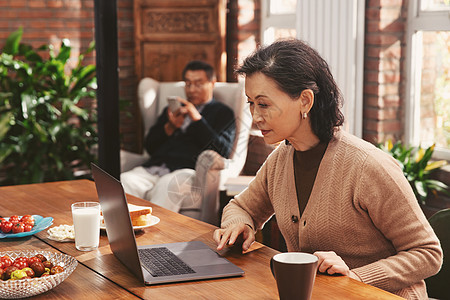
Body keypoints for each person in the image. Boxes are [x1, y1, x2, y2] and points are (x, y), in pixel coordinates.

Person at [213, 39, 442, 299]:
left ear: (305, 101)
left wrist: (357, 277)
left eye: (263, 104)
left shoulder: (367, 166)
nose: (255, 116)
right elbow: (241, 207)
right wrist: (238, 224)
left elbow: (427, 253)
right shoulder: (281, 159)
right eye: (250, 103)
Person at [121, 60, 236, 217]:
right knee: (124, 181)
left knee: (168, 185)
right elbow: (150, 146)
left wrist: (197, 120)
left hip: (187, 171)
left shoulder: (222, 113)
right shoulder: (172, 110)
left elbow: (222, 150)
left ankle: (155, 240)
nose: (192, 89)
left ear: (212, 83)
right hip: (153, 168)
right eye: (188, 84)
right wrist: (169, 127)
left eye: (198, 84)